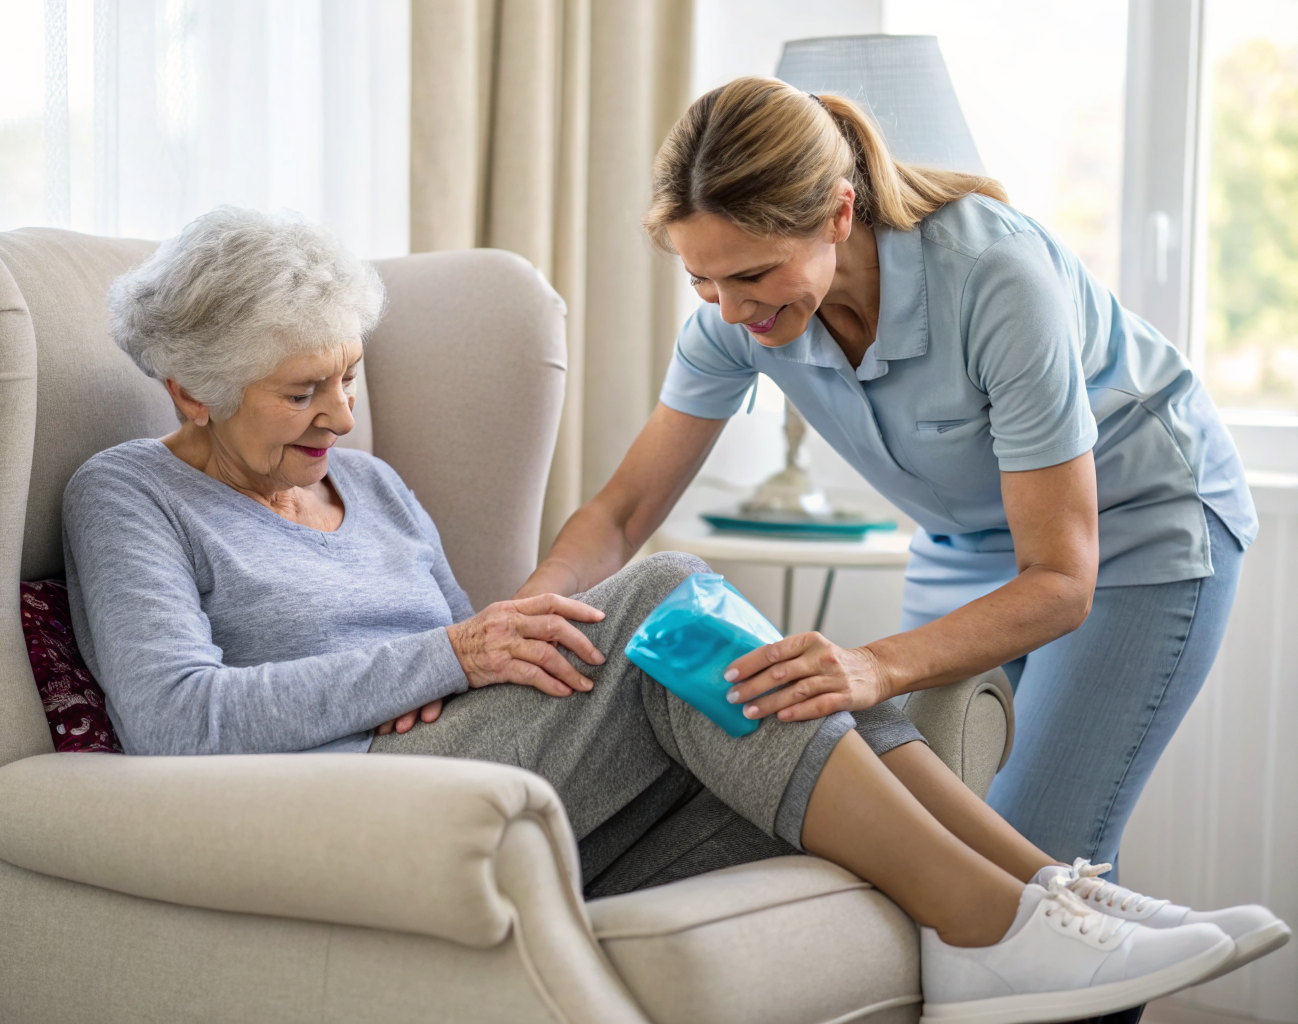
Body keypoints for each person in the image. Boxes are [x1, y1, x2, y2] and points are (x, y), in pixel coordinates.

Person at [63, 207, 1284, 1022]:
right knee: (659, 593)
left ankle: (1056, 895)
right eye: (300, 391)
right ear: (192, 388)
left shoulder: (366, 484)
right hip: (348, 795)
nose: (340, 415)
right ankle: (992, 924)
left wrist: (469, 649)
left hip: (486, 766)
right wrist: (439, 653)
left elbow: (462, 650)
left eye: (349, 375)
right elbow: (176, 721)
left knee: (782, 669)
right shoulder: (129, 495)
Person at [519, 77, 1258, 892]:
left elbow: (1058, 579)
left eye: (753, 275)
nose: (731, 311)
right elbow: (622, 514)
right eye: (703, 281)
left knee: (1040, 852)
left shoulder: (993, 277)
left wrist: (874, 664)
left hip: (1131, 530)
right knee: (918, 841)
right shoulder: (737, 323)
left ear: (838, 215)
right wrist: (525, 612)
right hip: (966, 542)